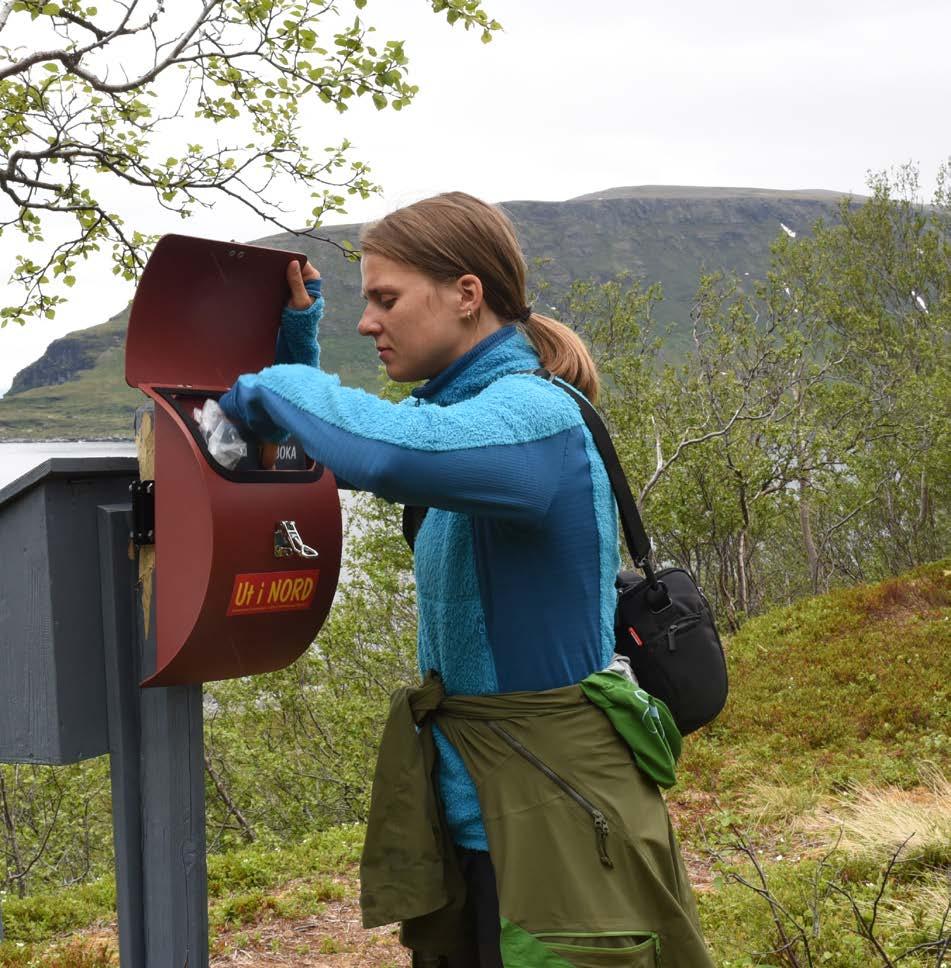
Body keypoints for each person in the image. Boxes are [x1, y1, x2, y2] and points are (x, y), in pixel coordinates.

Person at [218, 192, 713, 968]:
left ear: (466, 294)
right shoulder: (468, 419)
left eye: (385, 299)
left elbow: (384, 452)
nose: (367, 321)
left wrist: (267, 389)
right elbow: (352, 447)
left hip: (553, 816)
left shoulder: (530, 417)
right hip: (486, 808)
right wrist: (294, 346)